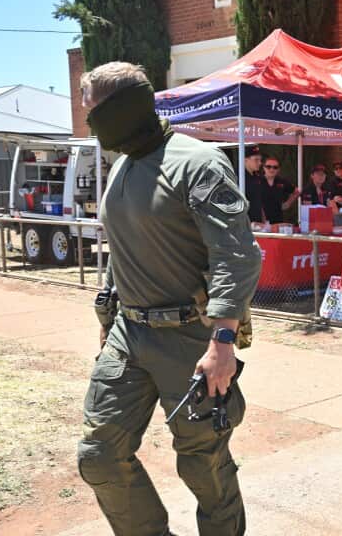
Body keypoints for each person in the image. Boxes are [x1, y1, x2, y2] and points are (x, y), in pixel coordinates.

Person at [78, 61, 260, 536]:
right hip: (129, 333)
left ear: (124, 107)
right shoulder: (122, 167)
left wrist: (222, 342)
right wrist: (108, 313)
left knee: (204, 464)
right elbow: (125, 248)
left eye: (92, 110)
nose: (87, 120)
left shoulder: (197, 163)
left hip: (189, 337)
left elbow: (237, 254)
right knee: (100, 456)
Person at [259, 156, 300, 224]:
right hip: (260, 220)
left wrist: (287, 203)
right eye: (268, 166)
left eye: (275, 167)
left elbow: (296, 192)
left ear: (278, 169)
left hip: (278, 219)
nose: (271, 169)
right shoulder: (258, 181)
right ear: (263, 168)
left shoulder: (281, 181)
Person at [243, 145, 266, 223]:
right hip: (245, 224)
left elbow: (259, 201)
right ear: (245, 160)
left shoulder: (257, 177)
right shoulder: (238, 177)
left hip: (258, 224)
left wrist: (264, 221)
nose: (260, 163)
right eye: (256, 160)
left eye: (260, 160)